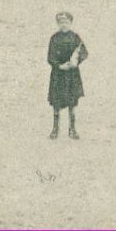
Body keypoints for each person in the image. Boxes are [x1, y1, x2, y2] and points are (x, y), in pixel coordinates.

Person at [46, 11, 88, 140]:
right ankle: (55, 130)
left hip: (72, 75)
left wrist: (76, 61)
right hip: (58, 74)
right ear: (58, 23)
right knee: (56, 103)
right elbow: (50, 57)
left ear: (71, 22)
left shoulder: (75, 37)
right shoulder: (54, 38)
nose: (64, 24)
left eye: (66, 22)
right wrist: (59, 66)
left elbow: (84, 52)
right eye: (61, 22)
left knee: (72, 102)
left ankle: (72, 130)